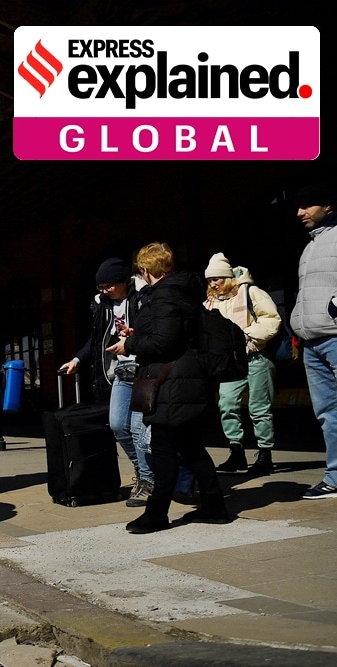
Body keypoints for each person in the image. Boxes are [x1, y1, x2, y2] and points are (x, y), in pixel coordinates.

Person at [107, 242, 230, 533]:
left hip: (174, 384)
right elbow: (173, 332)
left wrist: (130, 344)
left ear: (146, 269)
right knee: (191, 447)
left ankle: (157, 513)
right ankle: (214, 507)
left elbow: (166, 343)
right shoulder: (179, 292)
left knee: (162, 448)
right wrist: (139, 332)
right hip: (183, 379)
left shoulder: (164, 295)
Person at [59, 258, 154, 507]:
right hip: (120, 372)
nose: (104, 291)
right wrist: (77, 359)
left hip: (144, 370)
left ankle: (147, 480)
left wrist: (132, 336)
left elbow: (155, 332)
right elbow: (96, 340)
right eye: (101, 287)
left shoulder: (143, 298)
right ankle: (143, 470)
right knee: (117, 425)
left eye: (109, 286)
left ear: (123, 281)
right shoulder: (102, 306)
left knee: (138, 428)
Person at [203, 253, 281, 477]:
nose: (213, 283)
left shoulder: (251, 292)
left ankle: (265, 456)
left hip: (257, 357)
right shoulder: (210, 302)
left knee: (259, 408)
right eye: (210, 280)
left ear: (228, 277)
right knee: (226, 404)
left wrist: (248, 336)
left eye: (217, 278)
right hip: (232, 363)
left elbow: (271, 319)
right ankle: (236, 452)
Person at [290, 184, 337, 499]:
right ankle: (335, 477)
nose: (299, 213)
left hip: (334, 335)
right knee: (327, 413)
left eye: (306, 205)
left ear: (328, 206)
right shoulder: (310, 247)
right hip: (312, 342)